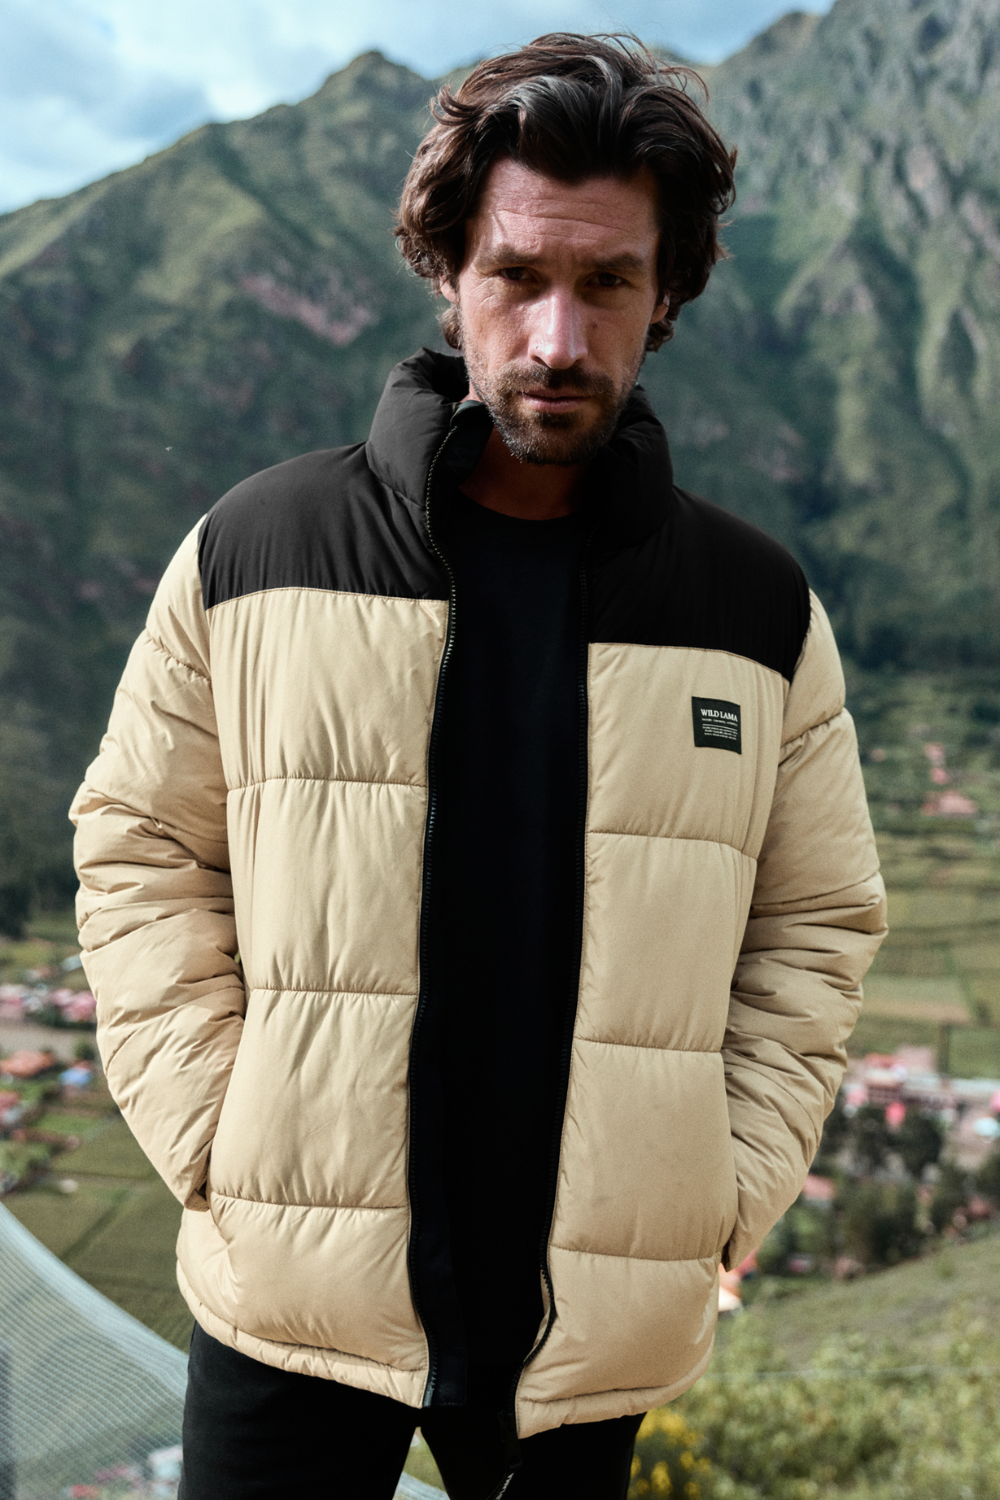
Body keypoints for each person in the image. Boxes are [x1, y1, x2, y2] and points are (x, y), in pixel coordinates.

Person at [70, 33, 887, 1500]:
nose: (559, 338)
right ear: (449, 273)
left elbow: (814, 921)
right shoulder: (259, 548)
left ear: (668, 294)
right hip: (290, 1293)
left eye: (608, 283)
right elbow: (140, 845)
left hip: (592, 1320)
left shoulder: (755, 609)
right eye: (518, 275)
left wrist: (724, 1185)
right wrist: (221, 1139)